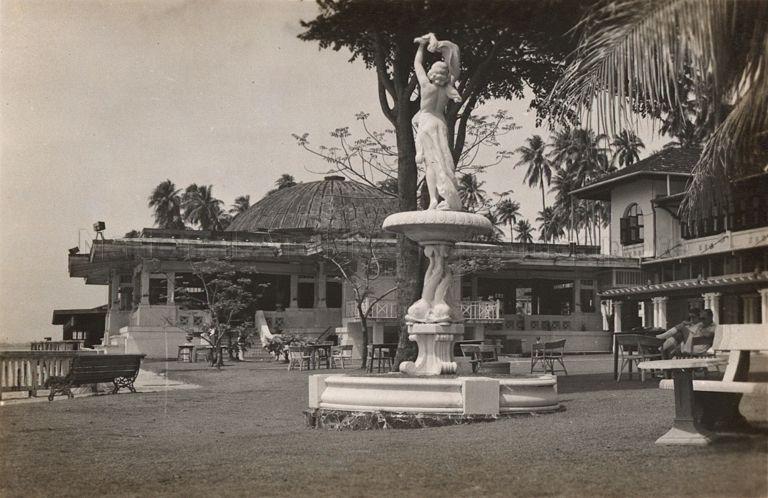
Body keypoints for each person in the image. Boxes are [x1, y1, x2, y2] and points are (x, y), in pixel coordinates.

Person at [413, 33, 463, 211]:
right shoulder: (447, 87)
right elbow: (455, 71)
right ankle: (446, 196)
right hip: (440, 124)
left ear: (432, 73)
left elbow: (417, 64)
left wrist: (421, 45)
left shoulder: (426, 86)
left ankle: (434, 199)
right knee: (443, 162)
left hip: (426, 124)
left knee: (431, 165)